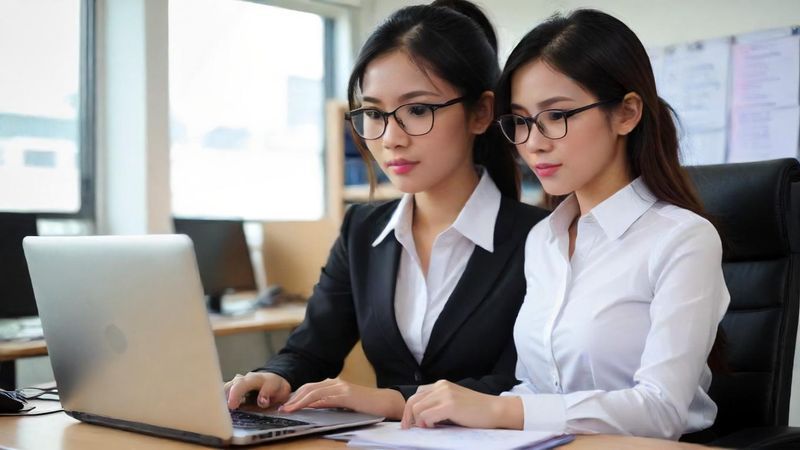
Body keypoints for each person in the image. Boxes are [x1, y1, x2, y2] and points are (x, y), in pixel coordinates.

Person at [401, 9, 730, 440]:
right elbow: (536, 390)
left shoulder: (683, 239)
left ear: (626, 114)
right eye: (520, 121)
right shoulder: (543, 238)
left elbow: (661, 410)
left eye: (556, 116)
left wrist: (499, 411)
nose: (534, 142)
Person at [224, 0, 548, 421]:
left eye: (417, 110)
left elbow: (525, 382)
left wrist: (392, 400)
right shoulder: (362, 229)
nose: (391, 138)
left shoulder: (543, 238)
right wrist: (274, 377)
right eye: (374, 113)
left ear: (481, 112)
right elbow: (310, 349)